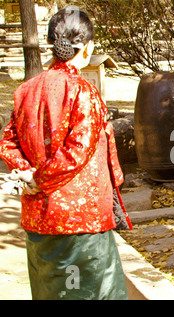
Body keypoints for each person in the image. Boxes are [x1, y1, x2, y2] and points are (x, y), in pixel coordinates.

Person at [0, 6, 129, 300]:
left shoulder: (25, 90)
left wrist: (28, 176)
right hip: (80, 220)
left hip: (39, 218)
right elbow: (77, 151)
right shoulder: (82, 91)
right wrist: (41, 178)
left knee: (51, 291)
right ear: (87, 48)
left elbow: (7, 142)